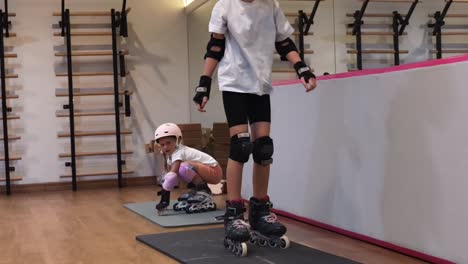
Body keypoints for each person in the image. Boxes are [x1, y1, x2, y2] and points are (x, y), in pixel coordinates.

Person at [192, 0, 317, 257]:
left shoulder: (270, 5)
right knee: (241, 146)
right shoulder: (224, 6)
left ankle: (260, 211)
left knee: (263, 148)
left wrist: (301, 67)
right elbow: (215, 46)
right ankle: (235, 212)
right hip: (234, 82)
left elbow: (284, 42)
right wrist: (204, 83)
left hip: (260, 83)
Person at [154, 123, 223, 214]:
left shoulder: (179, 152)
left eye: (168, 143)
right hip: (208, 171)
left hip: (214, 171)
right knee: (178, 170)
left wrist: (165, 199)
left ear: (178, 141)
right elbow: (172, 177)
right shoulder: (171, 157)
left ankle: (203, 190)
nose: (165, 147)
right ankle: (197, 189)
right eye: (162, 145)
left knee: (182, 168)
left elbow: (171, 176)